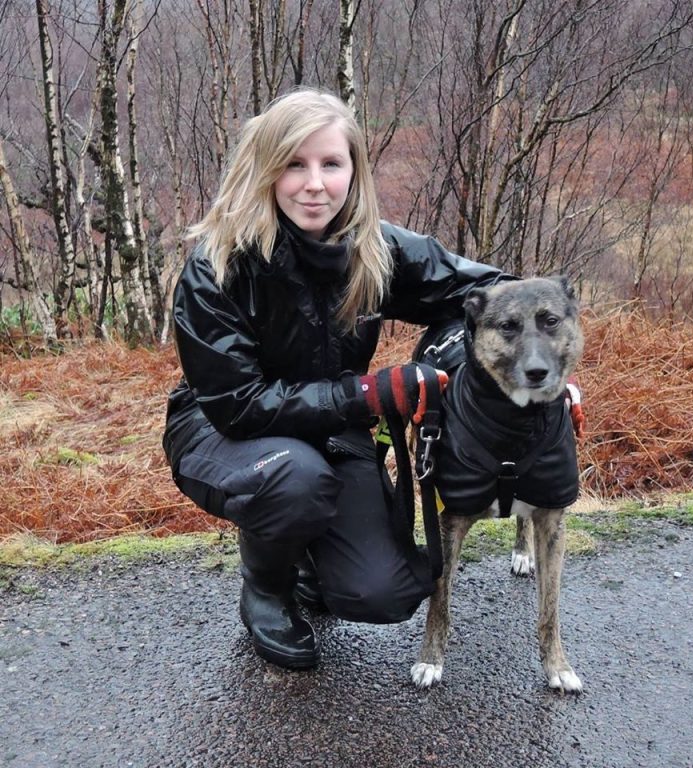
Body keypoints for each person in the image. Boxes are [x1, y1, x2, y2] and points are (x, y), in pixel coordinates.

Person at [162, 88, 509, 671]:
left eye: (331, 163)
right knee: (295, 481)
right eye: (294, 164)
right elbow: (238, 405)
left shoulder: (375, 248)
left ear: (355, 170)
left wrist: (447, 360)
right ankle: (266, 586)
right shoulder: (218, 266)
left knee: (385, 592)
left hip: (332, 430)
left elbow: (494, 295)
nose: (314, 183)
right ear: (266, 168)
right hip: (219, 431)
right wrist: (369, 394)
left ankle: (305, 557)